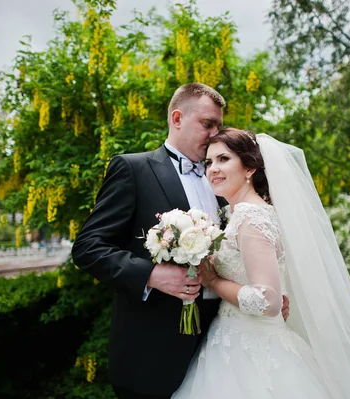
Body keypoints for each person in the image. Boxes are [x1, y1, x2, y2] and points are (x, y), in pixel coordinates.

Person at [172, 128, 350, 398]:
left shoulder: (251, 217)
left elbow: (266, 301)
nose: (213, 169)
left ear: (250, 168)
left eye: (223, 159)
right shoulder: (237, 213)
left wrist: (214, 281)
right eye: (209, 162)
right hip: (233, 338)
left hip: (252, 349)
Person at [71, 83, 227, 398]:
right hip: (152, 348)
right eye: (207, 124)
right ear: (178, 118)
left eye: (219, 126)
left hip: (220, 342)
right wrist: (150, 275)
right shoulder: (133, 168)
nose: (215, 134)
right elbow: (88, 246)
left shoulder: (223, 177)